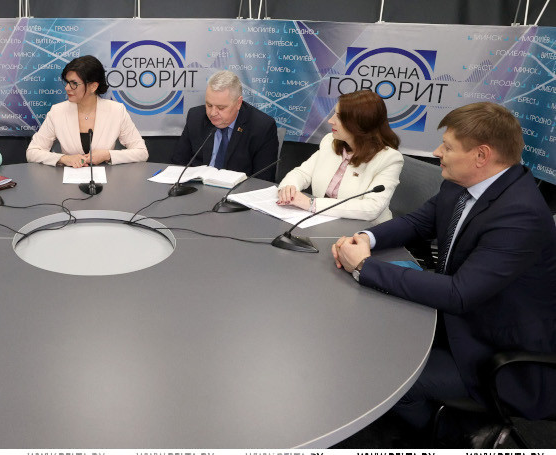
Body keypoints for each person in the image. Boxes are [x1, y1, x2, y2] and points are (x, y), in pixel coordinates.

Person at [332, 102, 556, 433]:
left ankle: (459, 438)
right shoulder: (460, 182)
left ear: (481, 156)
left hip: (490, 351)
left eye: (448, 147)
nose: (437, 152)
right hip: (454, 320)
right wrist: (366, 238)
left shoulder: (520, 215)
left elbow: (458, 294)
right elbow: (418, 222)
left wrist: (364, 266)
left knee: (383, 379)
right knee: (363, 336)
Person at [277, 90, 403, 223]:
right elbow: (302, 173)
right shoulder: (329, 141)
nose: (330, 121)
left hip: (364, 230)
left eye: (339, 117)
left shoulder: (389, 159)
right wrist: (289, 189)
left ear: (360, 123)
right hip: (324, 222)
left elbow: (372, 208)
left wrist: (311, 204)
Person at [26, 55, 148, 167]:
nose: (67, 88)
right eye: (67, 82)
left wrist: (107, 155)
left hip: (108, 180)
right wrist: (64, 158)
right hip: (68, 180)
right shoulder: (57, 111)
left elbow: (142, 152)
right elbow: (32, 152)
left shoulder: (116, 110)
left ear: (93, 86)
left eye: (74, 83)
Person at [170, 70, 279, 180]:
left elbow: (263, 180)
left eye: (221, 108)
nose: (212, 113)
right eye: (209, 105)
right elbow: (178, 164)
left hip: (237, 189)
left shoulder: (262, 127)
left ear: (238, 103)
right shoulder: (195, 117)